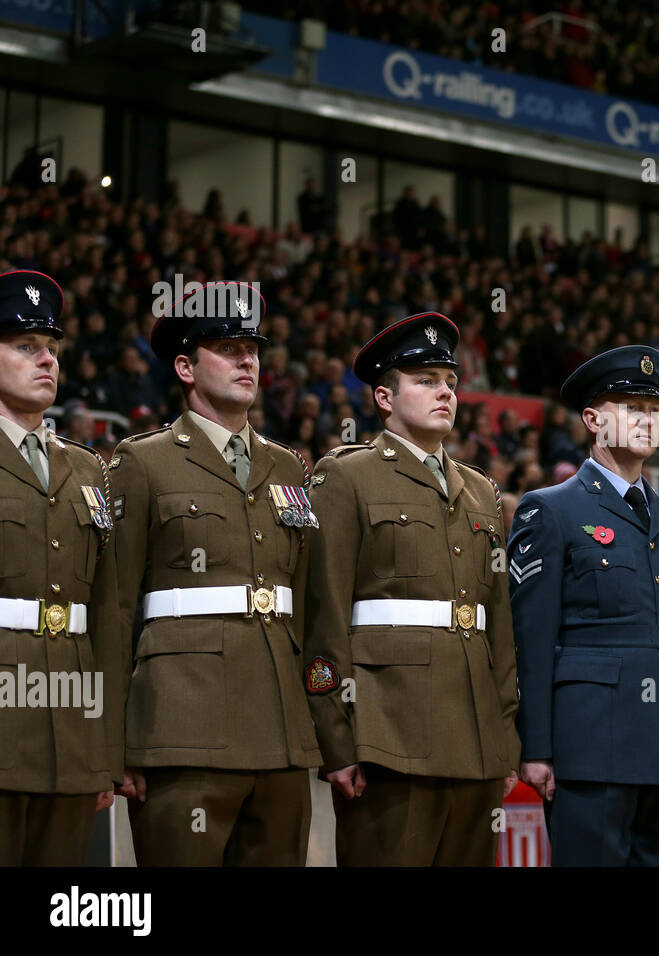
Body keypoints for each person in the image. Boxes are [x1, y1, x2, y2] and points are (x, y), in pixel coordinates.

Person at [112, 281, 322, 865]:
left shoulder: (288, 466)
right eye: (227, 348)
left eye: (252, 348)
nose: (247, 359)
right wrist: (114, 744)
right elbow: (116, 608)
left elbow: (304, 601)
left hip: (280, 732)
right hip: (181, 729)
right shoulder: (143, 461)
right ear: (185, 365)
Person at [303, 313, 520, 866]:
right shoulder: (346, 477)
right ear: (384, 396)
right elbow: (324, 615)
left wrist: (506, 738)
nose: (444, 391)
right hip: (387, 739)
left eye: (449, 380)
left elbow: (499, 625)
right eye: (425, 380)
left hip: (476, 744)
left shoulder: (480, 491)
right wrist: (338, 742)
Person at [508, 346, 659, 865]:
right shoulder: (551, 509)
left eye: (655, 411)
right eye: (632, 408)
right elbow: (531, 639)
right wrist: (535, 747)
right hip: (592, 744)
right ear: (593, 420)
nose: (647, 421)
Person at [0, 270, 123, 865]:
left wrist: (104, 746)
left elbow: (106, 611)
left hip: (71, 722)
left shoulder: (88, 469)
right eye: (25, 346)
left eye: (51, 348)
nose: (46, 359)